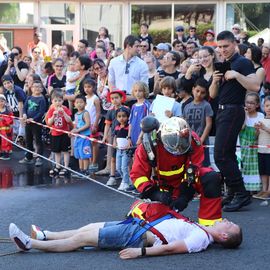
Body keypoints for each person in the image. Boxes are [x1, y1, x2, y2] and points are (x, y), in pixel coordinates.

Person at [9, 212, 242, 258]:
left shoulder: (202, 239)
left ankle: (31, 244)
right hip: (139, 225)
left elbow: (171, 248)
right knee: (88, 228)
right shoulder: (203, 230)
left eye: (230, 226)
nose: (227, 221)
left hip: (139, 235)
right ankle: (46, 235)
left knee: (82, 239)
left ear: (223, 237)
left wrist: (140, 252)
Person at [130, 116, 222, 226]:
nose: (178, 150)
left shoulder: (193, 141)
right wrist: (154, 193)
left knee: (211, 178)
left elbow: (193, 168)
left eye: (182, 146)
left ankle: (210, 226)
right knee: (153, 221)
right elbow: (138, 175)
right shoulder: (148, 146)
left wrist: (185, 194)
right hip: (160, 188)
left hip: (184, 183)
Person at [209, 30, 260, 212]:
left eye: (226, 46)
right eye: (220, 47)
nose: (222, 50)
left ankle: (241, 193)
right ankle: (232, 192)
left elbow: (255, 85)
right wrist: (215, 81)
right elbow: (212, 95)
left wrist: (237, 75)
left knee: (220, 155)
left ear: (234, 44)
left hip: (233, 110)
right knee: (227, 155)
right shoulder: (223, 64)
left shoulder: (243, 62)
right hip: (222, 111)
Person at [183, 78, 213, 167]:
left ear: (206, 93)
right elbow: (185, 124)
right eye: (197, 91)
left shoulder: (206, 105)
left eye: (202, 92)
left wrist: (201, 140)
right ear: (193, 89)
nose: (199, 94)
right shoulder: (186, 106)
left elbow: (209, 124)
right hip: (189, 143)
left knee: (203, 167)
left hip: (202, 143)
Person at [108, 35, 148, 99]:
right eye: (137, 46)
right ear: (128, 46)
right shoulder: (114, 62)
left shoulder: (142, 64)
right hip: (118, 100)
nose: (139, 49)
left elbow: (144, 86)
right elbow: (111, 81)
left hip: (135, 101)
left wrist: (131, 97)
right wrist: (116, 97)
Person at [239, 93, 264, 193]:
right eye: (247, 102)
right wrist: (244, 115)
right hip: (243, 147)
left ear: (257, 105)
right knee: (244, 167)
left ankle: (256, 188)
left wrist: (258, 131)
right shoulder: (242, 115)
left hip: (255, 146)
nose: (248, 105)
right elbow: (241, 128)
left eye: (252, 103)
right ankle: (245, 188)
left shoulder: (260, 116)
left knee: (256, 168)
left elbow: (259, 134)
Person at [45, 89, 72, 176]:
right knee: (56, 151)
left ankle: (66, 167)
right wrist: (53, 115)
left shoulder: (65, 109)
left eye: (59, 100)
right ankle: (58, 166)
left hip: (64, 133)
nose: (57, 102)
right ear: (52, 101)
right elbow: (49, 123)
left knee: (65, 151)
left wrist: (63, 113)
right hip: (55, 133)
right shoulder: (51, 110)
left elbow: (69, 120)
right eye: (55, 101)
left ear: (62, 101)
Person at [103, 90, 127, 186]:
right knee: (113, 157)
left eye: (116, 98)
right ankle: (112, 176)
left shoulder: (126, 109)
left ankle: (127, 178)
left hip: (124, 137)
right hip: (114, 137)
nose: (114, 100)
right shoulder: (110, 111)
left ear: (121, 98)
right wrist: (105, 136)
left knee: (126, 158)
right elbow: (107, 125)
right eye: (112, 98)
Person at [19, 80, 46, 166]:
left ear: (42, 89)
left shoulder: (42, 99)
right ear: (31, 88)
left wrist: (33, 119)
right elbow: (25, 108)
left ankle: (39, 157)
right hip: (28, 123)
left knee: (38, 140)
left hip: (36, 124)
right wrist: (24, 115)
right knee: (28, 140)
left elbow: (41, 112)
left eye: (39, 87)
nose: (37, 88)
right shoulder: (29, 98)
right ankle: (28, 157)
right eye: (35, 87)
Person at [71, 94, 91, 177]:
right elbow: (75, 125)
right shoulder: (76, 114)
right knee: (79, 154)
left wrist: (78, 130)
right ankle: (81, 169)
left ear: (85, 104)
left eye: (81, 102)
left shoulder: (85, 113)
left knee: (84, 154)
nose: (79, 104)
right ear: (74, 104)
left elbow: (88, 124)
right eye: (77, 102)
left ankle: (86, 170)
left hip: (84, 137)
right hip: (78, 137)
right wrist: (72, 131)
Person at [254, 96, 270, 199]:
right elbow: (256, 136)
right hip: (261, 150)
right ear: (263, 107)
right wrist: (257, 130)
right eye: (267, 105)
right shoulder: (261, 119)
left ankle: (269, 191)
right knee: (263, 171)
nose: (269, 108)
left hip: (269, 151)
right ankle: (263, 190)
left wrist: (264, 128)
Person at [83, 78, 101, 173]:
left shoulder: (95, 98)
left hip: (93, 123)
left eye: (89, 87)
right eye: (85, 87)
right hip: (86, 124)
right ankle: (89, 161)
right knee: (87, 143)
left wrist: (95, 124)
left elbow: (98, 112)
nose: (87, 89)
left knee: (94, 143)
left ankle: (94, 162)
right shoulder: (84, 98)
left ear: (93, 88)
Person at [113, 107, 132, 191]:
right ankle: (126, 180)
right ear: (117, 117)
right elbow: (115, 136)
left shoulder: (128, 127)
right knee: (118, 167)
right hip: (118, 150)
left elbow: (129, 137)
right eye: (119, 116)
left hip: (126, 151)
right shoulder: (117, 127)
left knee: (124, 167)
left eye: (124, 116)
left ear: (127, 117)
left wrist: (129, 142)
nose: (121, 118)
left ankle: (125, 182)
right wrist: (114, 142)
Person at [128, 81, 150, 147]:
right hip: (133, 136)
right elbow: (130, 123)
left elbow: (147, 124)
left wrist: (140, 137)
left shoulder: (147, 105)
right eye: (135, 91)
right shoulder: (133, 106)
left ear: (144, 91)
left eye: (140, 91)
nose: (137, 93)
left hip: (142, 136)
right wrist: (129, 137)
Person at [0, 94, 13, 160]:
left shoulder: (8, 111)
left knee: (6, 141)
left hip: (5, 129)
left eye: (2, 101)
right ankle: (1, 152)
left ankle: (6, 154)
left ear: (5, 102)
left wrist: (4, 119)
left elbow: (10, 120)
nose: (0, 103)